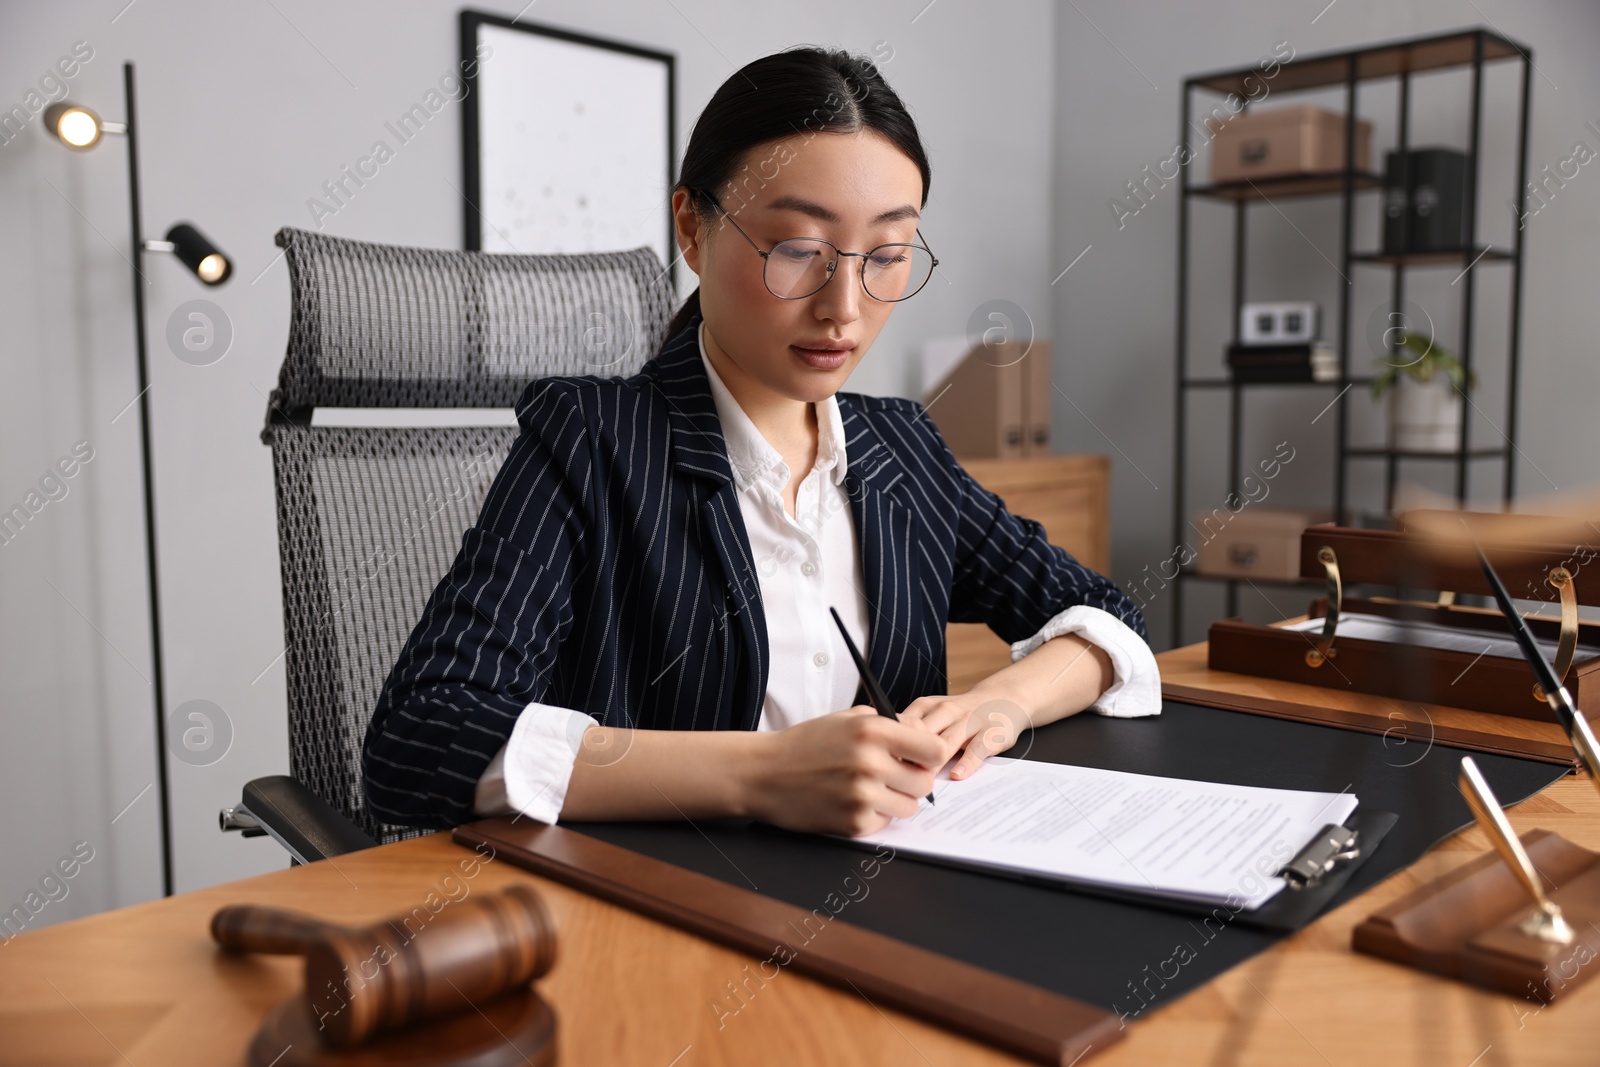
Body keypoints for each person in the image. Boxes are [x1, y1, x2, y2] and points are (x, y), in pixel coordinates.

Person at [362, 46, 1158, 839]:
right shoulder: (591, 441)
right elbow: (423, 734)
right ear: (692, 230)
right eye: (799, 251)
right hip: (659, 918)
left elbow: (1101, 615)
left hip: (892, 909)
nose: (843, 307)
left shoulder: (900, 447)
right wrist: (763, 772)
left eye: (886, 256)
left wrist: (1000, 703)